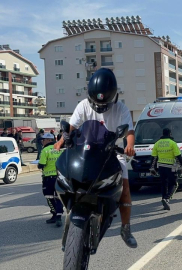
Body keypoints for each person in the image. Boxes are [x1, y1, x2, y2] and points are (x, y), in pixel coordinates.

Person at [53, 68, 137, 248]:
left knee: (126, 189)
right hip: (86, 152)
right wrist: (61, 141)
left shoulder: (121, 108)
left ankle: (126, 228)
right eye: (96, 103)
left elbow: (129, 130)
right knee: (66, 177)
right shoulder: (83, 105)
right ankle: (69, 215)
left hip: (111, 153)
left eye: (104, 103)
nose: (99, 107)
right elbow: (72, 127)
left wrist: (129, 145)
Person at [151, 128, 182, 210]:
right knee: (174, 184)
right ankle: (167, 199)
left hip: (161, 167)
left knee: (164, 184)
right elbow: (178, 156)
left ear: (163, 134)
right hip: (171, 167)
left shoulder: (157, 143)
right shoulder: (173, 143)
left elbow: (153, 157)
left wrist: (152, 168)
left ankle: (164, 200)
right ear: (170, 134)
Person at [38, 133, 64, 227]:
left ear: (48, 140)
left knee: (49, 197)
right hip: (60, 177)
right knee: (58, 197)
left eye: (43, 139)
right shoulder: (60, 149)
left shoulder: (45, 150)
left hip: (49, 178)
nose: (42, 141)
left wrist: (39, 165)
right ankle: (59, 216)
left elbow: (41, 164)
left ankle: (54, 214)